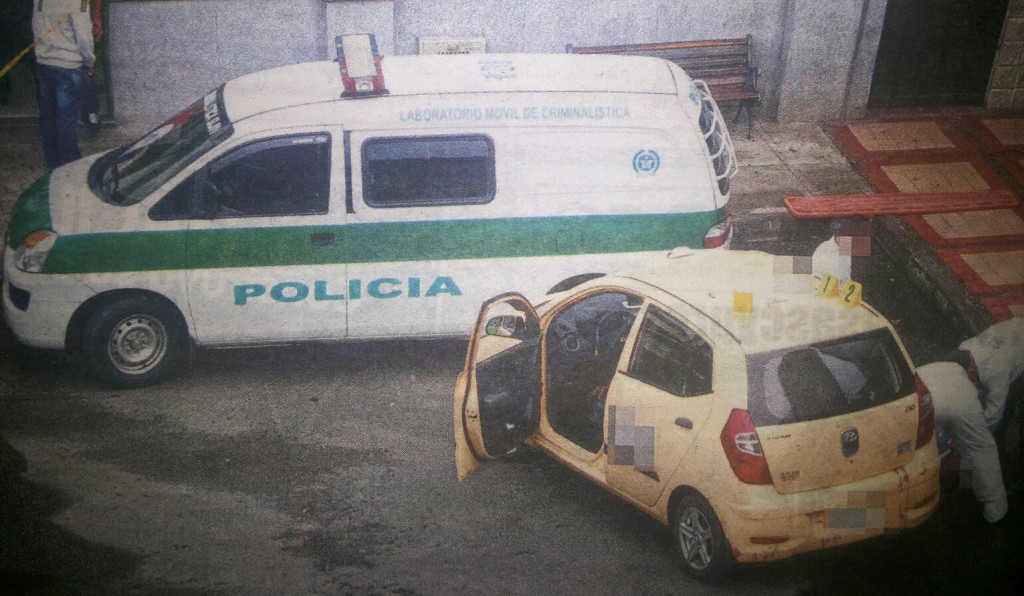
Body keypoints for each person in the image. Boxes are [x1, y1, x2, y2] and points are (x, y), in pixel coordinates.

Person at [918, 360, 1008, 524]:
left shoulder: (930, 370)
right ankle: (996, 513)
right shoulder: (959, 376)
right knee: (980, 450)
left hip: (924, 402)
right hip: (957, 402)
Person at [32, 0, 95, 169]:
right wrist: (89, 62)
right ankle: (69, 166)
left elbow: (36, 28)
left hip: (44, 64)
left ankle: (52, 164)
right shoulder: (79, 2)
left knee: (48, 118)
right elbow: (84, 37)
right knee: (67, 120)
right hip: (69, 67)